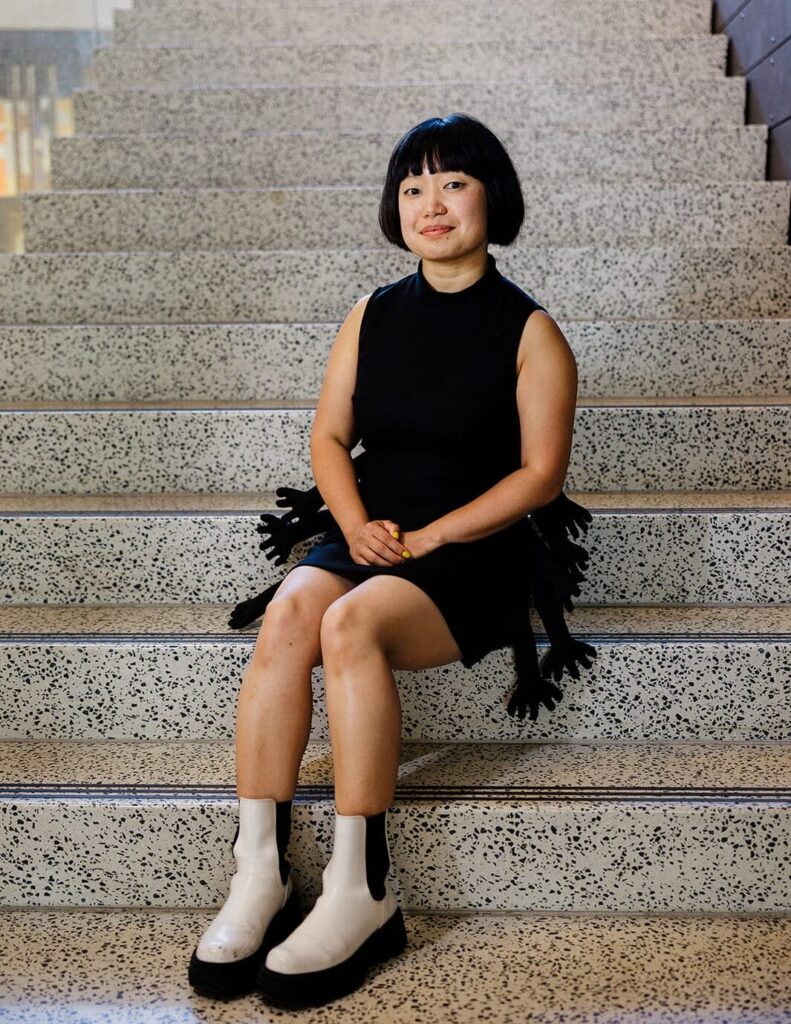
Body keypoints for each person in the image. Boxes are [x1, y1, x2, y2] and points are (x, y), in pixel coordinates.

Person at [188, 112, 596, 1007]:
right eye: (412, 188)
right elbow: (329, 437)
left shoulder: (531, 332)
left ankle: (361, 889)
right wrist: (357, 521)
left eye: (452, 182)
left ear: (493, 196)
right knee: (295, 607)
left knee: (352, 619)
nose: (430, 203)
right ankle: (260, 871)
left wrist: (436, 533)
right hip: (370, 526)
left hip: (473, 548)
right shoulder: (371, 313)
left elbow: (539, 475)